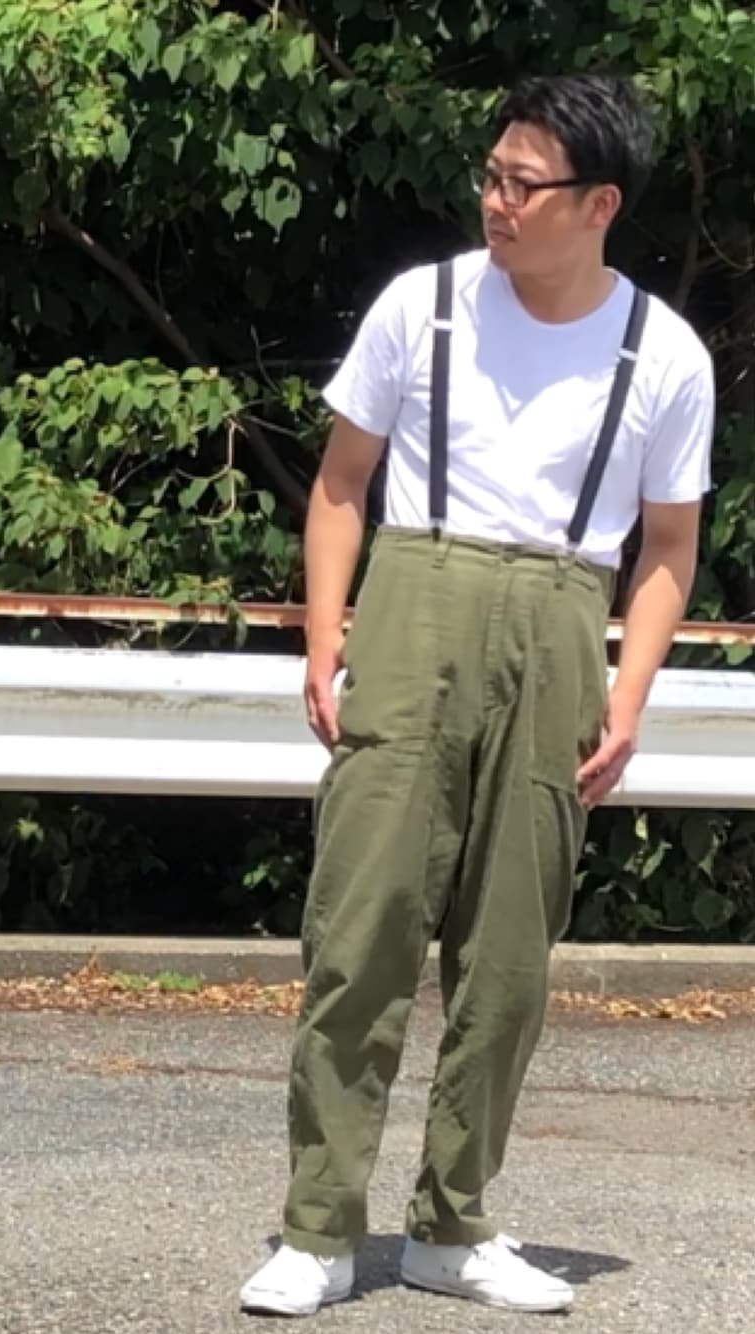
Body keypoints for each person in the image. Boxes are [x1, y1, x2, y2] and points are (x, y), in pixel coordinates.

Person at [240, 72, 714, 1317]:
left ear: (598, 203)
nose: (496, 202)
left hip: (562, 619)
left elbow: (667, 547)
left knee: (508, 957)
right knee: (361, 927)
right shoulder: (424, 305)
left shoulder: (663, 353)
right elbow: (341, 481)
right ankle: (318, 1225)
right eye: (491, 176)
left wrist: (627, 693)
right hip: (414, 601)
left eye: (523, 184)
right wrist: (325, 634)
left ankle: (453, 1221)